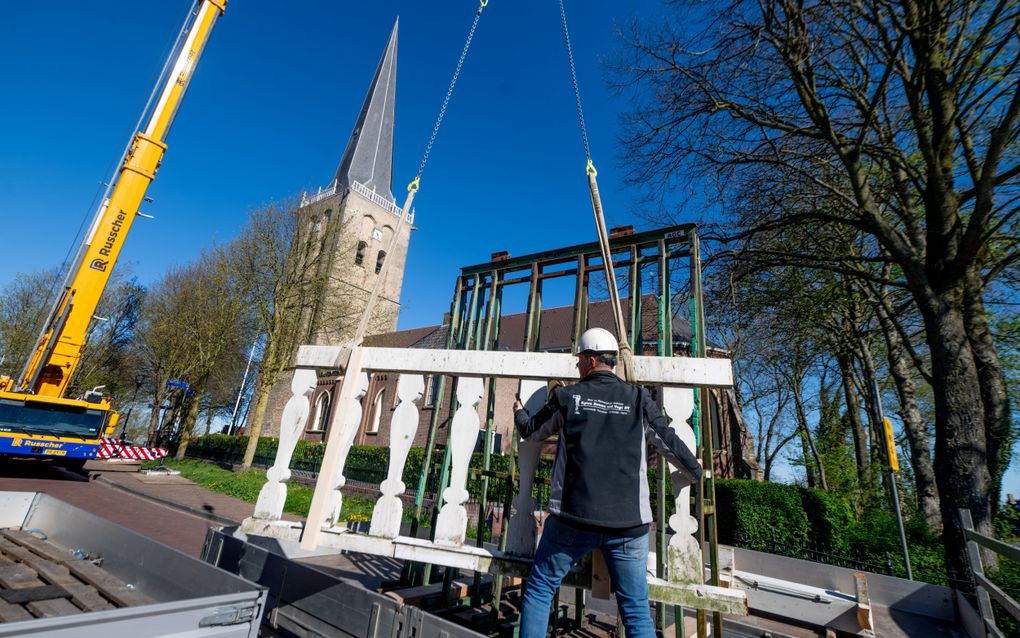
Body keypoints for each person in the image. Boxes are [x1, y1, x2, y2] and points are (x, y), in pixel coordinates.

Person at [513, 327, 702, 638]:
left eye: (578, 361)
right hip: (628, 525)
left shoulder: (568, 396)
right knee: (636, 612)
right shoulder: (639, 398)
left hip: (572, 520)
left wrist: (520, 413)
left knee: (540, 588)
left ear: (589, 360)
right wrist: (693, 469)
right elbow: (668, 439)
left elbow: (532, 431)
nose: (576, 367)